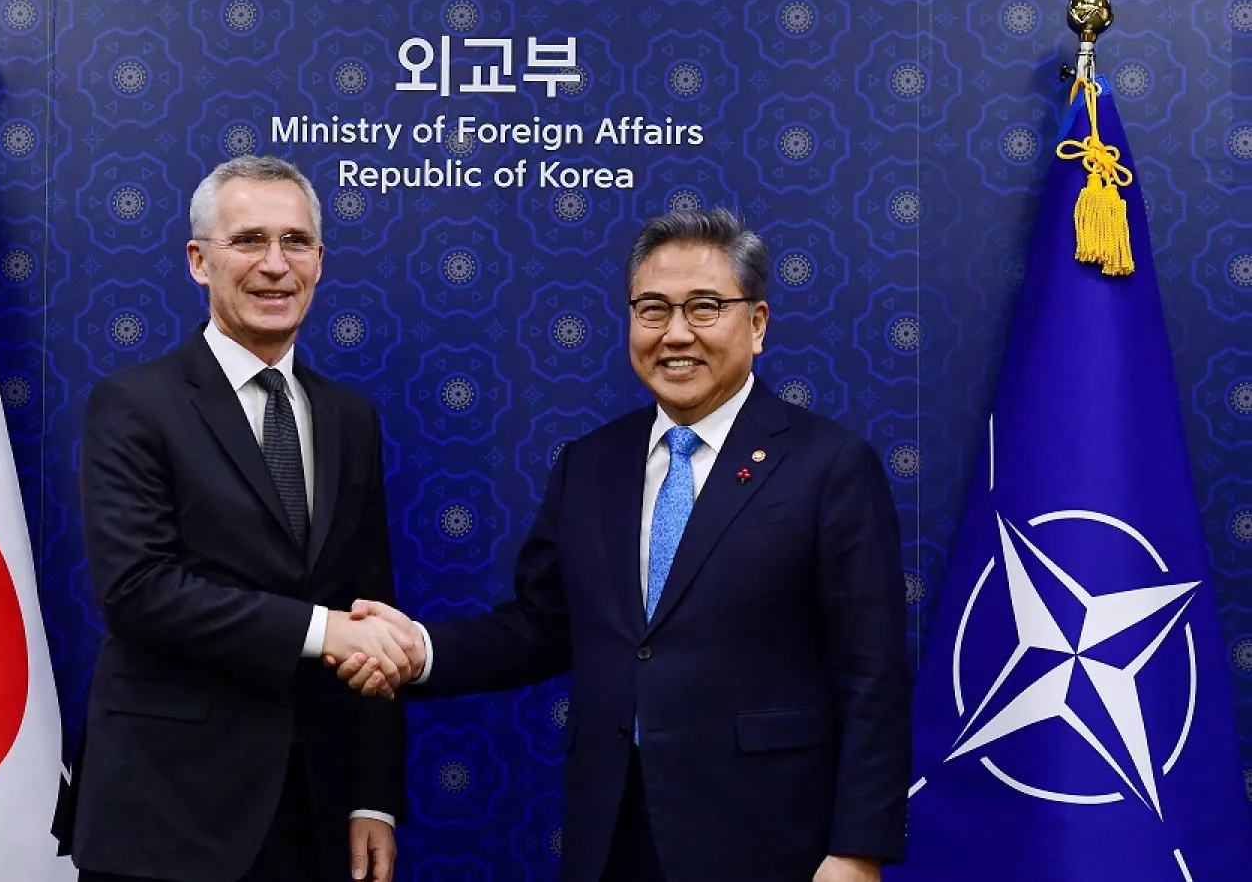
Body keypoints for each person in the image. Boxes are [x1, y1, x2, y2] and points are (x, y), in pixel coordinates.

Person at [336, 208, 911, 882]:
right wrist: (418, 652)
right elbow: (541, 627)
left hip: (769, 839)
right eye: (652, 309)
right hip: (612, 832)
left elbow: (872, 673)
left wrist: (856, 850)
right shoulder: (592, 464)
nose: (674, 334)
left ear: (756, 324)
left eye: (703, 308)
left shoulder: (829, 465)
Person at [68, 155, 422, 882]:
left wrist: (373, 799)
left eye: (295, 242)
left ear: (320, 261)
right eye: (248, 241)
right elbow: (139, 592)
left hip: (315, 810)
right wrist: (324, 632)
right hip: (167, 810)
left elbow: (372, 604)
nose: (274, 266)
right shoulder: (135, 406)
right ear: (199, 261)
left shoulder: (350, 419)